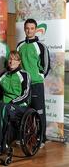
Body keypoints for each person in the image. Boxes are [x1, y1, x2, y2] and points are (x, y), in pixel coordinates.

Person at [0, 51, 31, 156]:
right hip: (4, 106)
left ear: (19, 62)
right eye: (10, 59)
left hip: (20, 106)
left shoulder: (24, 75)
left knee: (3, 107)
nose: (11, 61)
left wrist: (12, 103)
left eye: (14, 59)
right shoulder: (3, 75)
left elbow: (26, 94)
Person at [17, 18, 50, 147]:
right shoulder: (20, 45)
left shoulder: (41, 46)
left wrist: (39, 76)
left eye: (32, 28)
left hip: (36, 84)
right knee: (24, 111)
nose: (29, 31)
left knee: (39, 111)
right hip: (24, 85)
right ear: (25, 29)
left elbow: (46, 65)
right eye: (27, 28)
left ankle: (41, 139)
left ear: (36, 30)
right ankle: (24, 137)